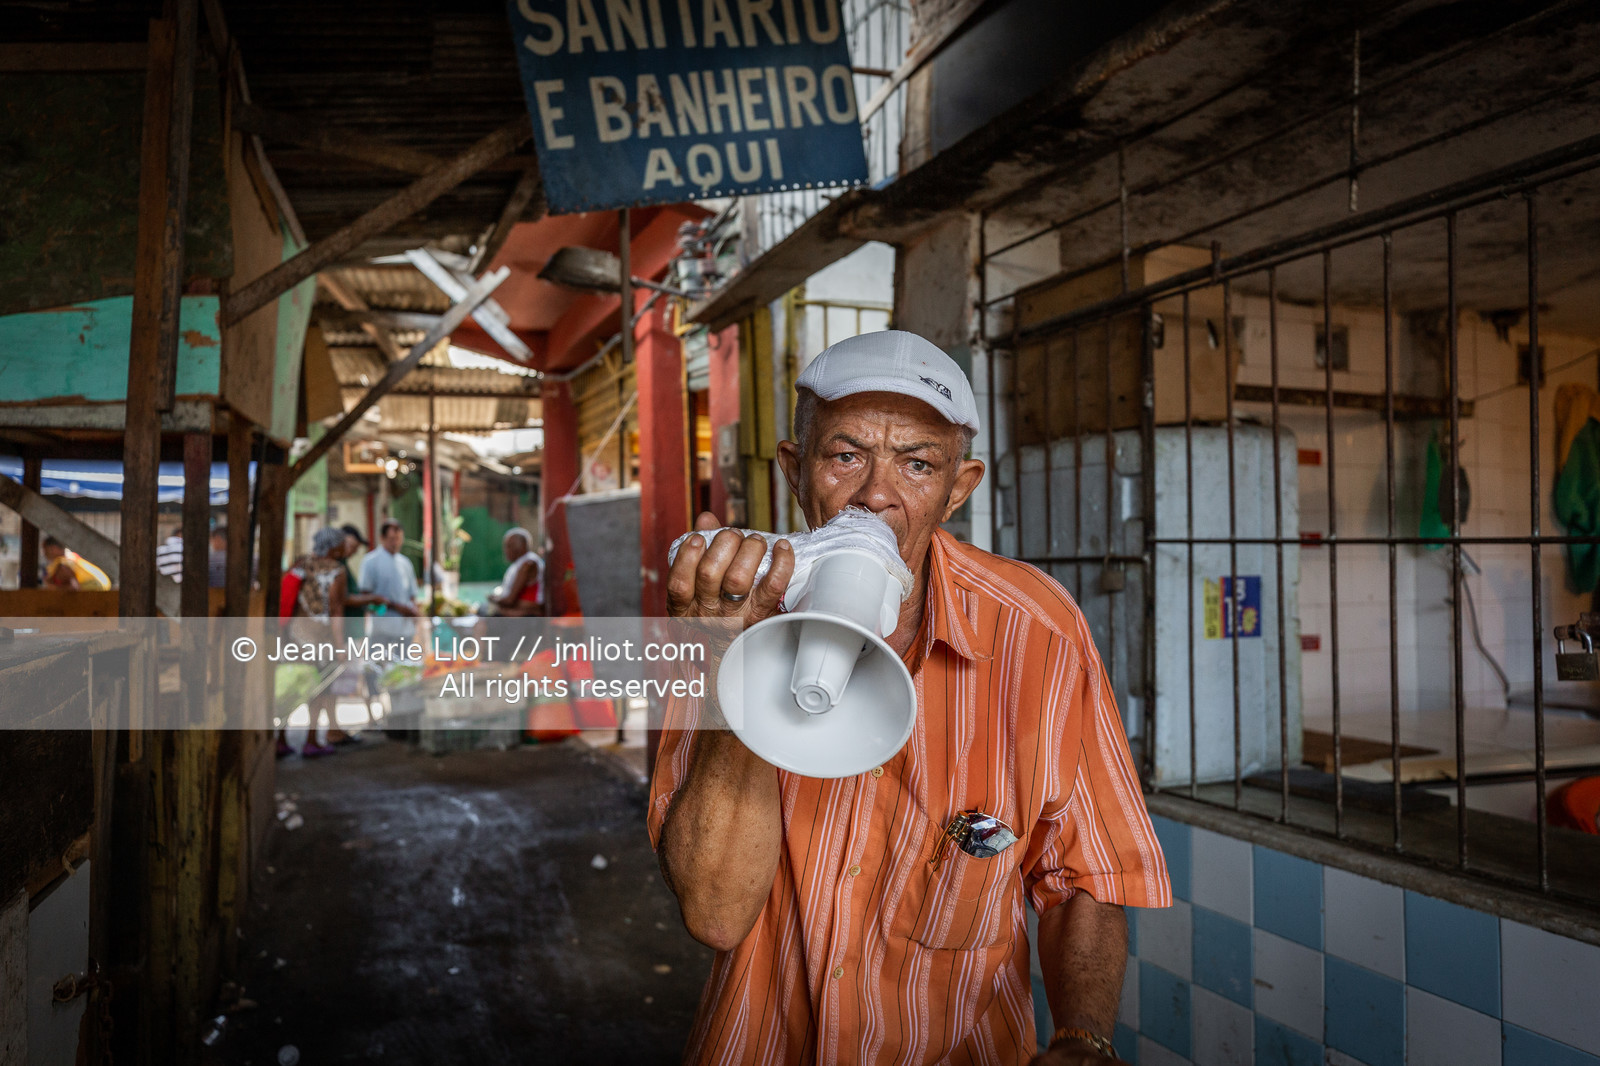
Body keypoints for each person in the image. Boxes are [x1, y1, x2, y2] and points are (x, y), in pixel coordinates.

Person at [655, 330, 1169, 1066]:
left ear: (958, 489)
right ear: (796, 471)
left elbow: (1086, 873)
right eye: (846, 455)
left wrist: (1083, 1039)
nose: (876, 494)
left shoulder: (1038, 631)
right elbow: (715, 913)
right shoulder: (727, 618)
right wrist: (731, 658)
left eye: (919, 464)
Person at [277, 526, 354, 759]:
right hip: (320, 639)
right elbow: (336, 610)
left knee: (290, 687)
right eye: (340, 543)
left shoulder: (300, 565)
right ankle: (311, 740)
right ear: (333, 546)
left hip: (295, 635)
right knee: (318, 690)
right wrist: (340, 646)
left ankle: (279, 739)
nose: (344, 547)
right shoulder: (337, 571)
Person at [358, 519, 420, 657]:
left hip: (404, 628)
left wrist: (413, 611)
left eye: (398, 539)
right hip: (381, 627)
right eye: (392, 539)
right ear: (382, 538)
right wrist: (394, 607)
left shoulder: (405, 563)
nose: (395, 543)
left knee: (402, 668)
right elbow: (365, 596)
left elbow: (412, 594)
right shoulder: (370, 562)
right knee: (377, 667)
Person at [486, 527, 544, 616]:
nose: (505, 550)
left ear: (522, 546)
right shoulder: (519, 563)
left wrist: (493, 599)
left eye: (509, 546)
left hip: (528, 615)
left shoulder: (529, 563)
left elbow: (510, 601)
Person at [41, 536, 110, 591]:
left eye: (45, 549)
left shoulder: (63, 564)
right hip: (102, 585)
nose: (44, 553)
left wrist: (53, 587)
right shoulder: (71, 557)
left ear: (53, 549)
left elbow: (73, 587)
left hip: (94, 588)